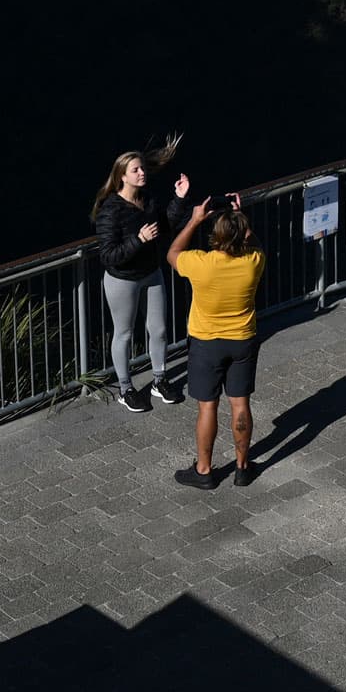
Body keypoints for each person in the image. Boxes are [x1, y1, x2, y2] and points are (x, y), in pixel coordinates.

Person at [168, 189, 265, 489]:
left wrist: (194, 220)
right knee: (240, 404)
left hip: (206, 343)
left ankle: (205, 470)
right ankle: (242, 467)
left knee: (207, 407)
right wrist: (242, 218)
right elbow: (256, 244)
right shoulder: (252, 262)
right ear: (241, 234)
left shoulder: (202, 263)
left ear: (216, 236)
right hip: (242, 341)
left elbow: (172, 254)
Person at [92, 136, 190, 412]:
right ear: (122, 176)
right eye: (135, 170)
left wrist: (180, 198)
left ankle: (159, 380)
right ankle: (125, 388)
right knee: (123, 333)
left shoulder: (147, 200)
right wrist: (139, 239)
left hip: (151, 273)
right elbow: (108, 255)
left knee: (159, 329)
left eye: (142, 168)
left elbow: (166, 225)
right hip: (122, 280)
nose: (142, 172)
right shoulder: (110, 210)